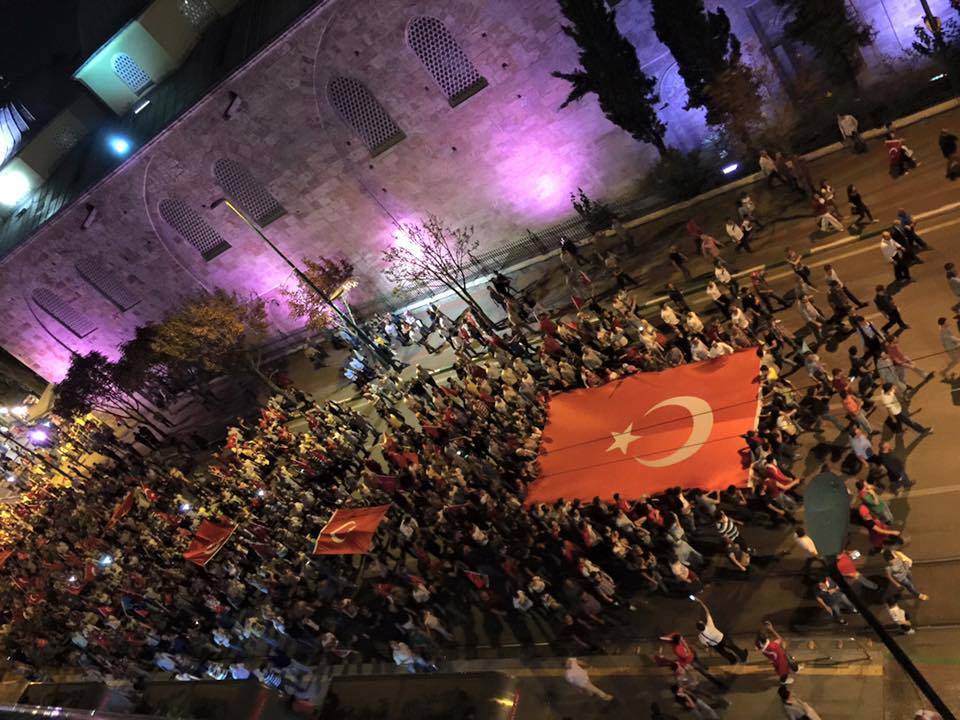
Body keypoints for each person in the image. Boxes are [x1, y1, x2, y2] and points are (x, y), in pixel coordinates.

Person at [694, 598, 748, 664]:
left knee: (724, 653)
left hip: (715, 645)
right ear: (703, 624)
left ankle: (733, 660)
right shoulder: (709, 625)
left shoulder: (700, 636)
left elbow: (706, 644)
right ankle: (743, 657)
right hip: (722, 639)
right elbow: (707, 612)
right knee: (733, 647)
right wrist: (701, 602)